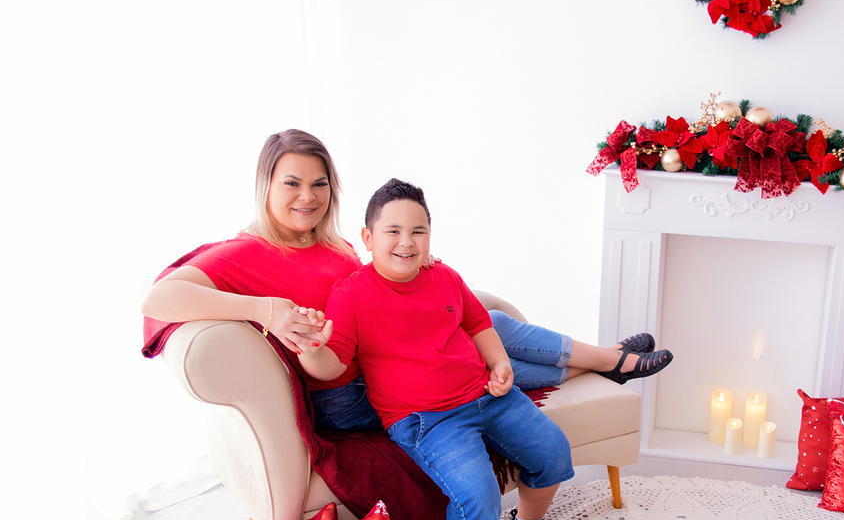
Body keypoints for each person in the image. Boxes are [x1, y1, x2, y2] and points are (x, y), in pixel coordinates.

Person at [141, 129, 673, 434]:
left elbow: (378, 291)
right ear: (266, 187)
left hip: (391, 347)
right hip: (352, 389)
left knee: (481, 323)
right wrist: (266, 311)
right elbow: (159, 297)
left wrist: (413, 263)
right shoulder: (247, 251)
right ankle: (610, 360)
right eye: (292, 183)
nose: (308, 196)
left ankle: (608, 361)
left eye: (320, 184)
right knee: (473, 349)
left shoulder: (335, 244)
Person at [296, 179, 573, 520]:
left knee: (552, 451)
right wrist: (311, 348)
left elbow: (477, 322)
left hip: (485, 395)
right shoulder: (351, 294)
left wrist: (500, 362)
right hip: (425, 420)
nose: (406, 242)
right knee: (476, 490)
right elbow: (331, 365)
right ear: (367, 238)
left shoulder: (444, 276)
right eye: (393, 231)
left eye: (418, 231)